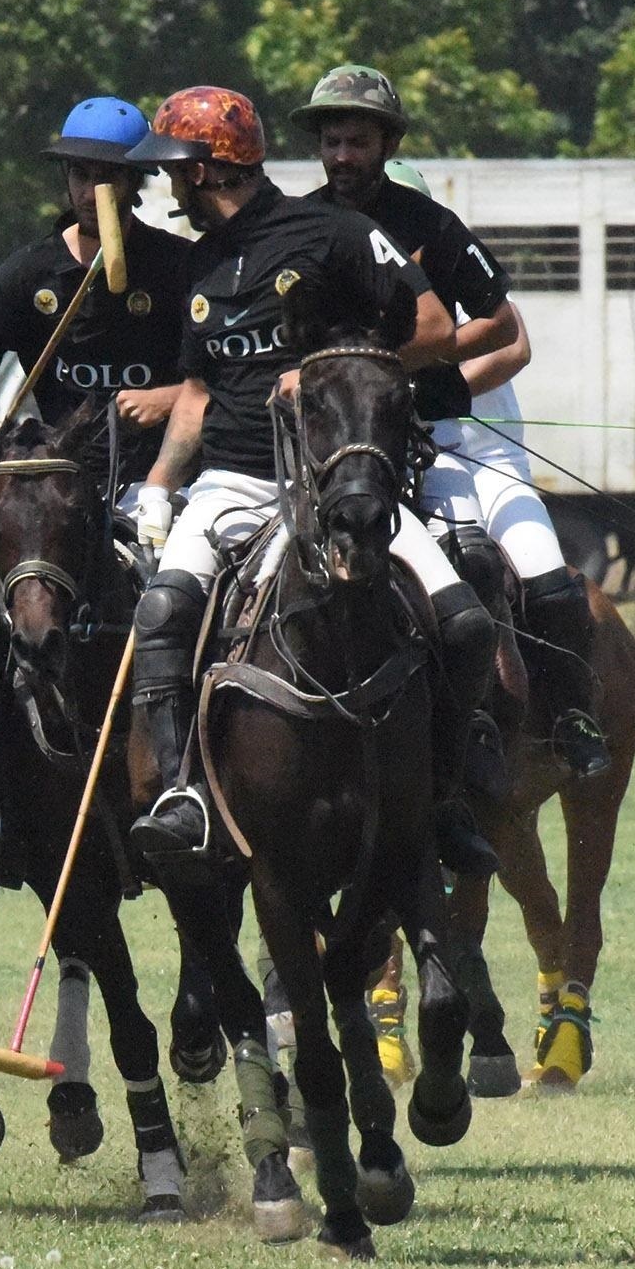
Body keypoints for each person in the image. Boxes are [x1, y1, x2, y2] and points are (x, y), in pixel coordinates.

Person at [116, 87, 498, 875]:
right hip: (232, 481)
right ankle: (182, 794)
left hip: (340, 488)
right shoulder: (200, 262)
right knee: (162, 610)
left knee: (464, 624)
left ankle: (445, 794)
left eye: (175, 171)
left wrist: (329, 372)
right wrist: (159, 485)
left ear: (210, 169)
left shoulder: (334, 233)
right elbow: (195, 393)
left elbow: (430, 330)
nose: (165, 187)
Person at [292, 66, 610, 779]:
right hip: (348, 457)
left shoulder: (431, 226)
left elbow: (503, 329)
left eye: (358, 140)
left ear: (386, 143)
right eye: (332, 140)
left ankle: (566, 715)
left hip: (453, 455)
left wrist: (403, 365)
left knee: (545, 578)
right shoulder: (302, 225)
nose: (344, 155)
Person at [0, 96, 191, 515]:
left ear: (136, 181)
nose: (90, 191)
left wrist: (167, 399)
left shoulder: (179, 266)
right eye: (80, 174)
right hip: (58, 487)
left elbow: (232, 381)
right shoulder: (29, 272)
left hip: (163, 485)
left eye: (109, 176)